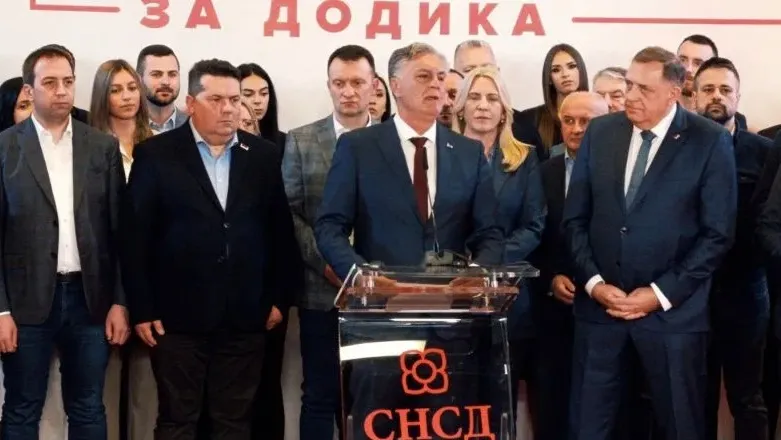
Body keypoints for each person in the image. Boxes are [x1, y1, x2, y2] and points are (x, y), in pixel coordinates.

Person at [121, 58, 302, 440]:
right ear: (191, 103)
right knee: (177, 420)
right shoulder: (155, 154)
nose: (228, 109)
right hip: (175, 318)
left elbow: (279, 234)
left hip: (245, 316)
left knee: (233, 422)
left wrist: (277, 299)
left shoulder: (263, 155)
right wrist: (143, 307)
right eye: (216, 100)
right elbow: (135, 238)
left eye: (234, 100)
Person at [563, 46, 737, 440]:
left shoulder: (708, 141)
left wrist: (658, 295)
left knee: (680, 425)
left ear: (674, 92)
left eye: (644, 89)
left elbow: (717, 235)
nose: (631, 96)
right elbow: (574, 220)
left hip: (673, 319)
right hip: (600, 313)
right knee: (587, 427)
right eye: (629, 85)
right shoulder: (601, 132)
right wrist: (594, 284)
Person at [0, 44, 129, 440]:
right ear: (29, 90)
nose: (61, 91)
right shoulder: (5, 147)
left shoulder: (102, 146)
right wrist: (1, 311)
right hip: (24, 302)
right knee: (22, 407)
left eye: (68, 82)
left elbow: (119, 232)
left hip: (90, 300)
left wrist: (120, 301)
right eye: (50, 82)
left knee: (89, 406)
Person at [283, 44, 376, 440]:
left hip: (380, 293)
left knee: (374, 396)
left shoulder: (394, 141)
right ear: (329, 86)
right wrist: (329, 265)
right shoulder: (301, 140)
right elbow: (290, 213)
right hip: (321, 290)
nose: (348, 91)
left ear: (374, 86)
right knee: (319, 394)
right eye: (339, 83)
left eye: (357, 82)